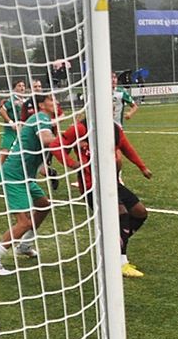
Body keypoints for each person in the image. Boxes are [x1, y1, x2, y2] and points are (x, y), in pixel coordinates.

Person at [50, 119, 153, 277]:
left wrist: (142, 167)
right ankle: (121, 262)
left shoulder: (114, 128)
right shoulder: (80, 128)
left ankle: (112, 246)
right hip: (92, 185)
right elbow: (55, 146)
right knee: (122, 215)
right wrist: (72, 163)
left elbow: (127, 148)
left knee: (140, 213)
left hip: (111, 182)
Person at [0, 91, 58, 276]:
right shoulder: (40, 117)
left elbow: (39, 155)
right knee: (23, 222)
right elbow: (46, 140)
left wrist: (49, 171)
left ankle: (24, 245)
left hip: (25, 176)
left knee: (43, 205)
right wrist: (72, 139)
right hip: (14, 176)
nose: (55, 101)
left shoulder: (42, 120)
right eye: (50, 99)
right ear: (41, 105)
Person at [0, 79, 25, 184]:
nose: (22, 88)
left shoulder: (25, 101)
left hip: (21, 131)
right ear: (14, 88)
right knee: (4, 152)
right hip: (10, 131)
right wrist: (10, 122)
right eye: (19, 85)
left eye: (23, 86)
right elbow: (1, 110)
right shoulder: (11, 100)